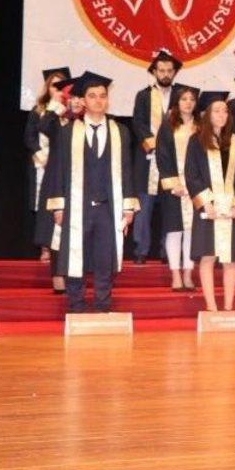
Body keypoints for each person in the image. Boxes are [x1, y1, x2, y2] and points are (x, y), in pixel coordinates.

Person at [42, 73, 139, 313]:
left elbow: (127, 170)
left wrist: (128, 207)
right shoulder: (67, 132)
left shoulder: (120, 132)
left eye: (103, 96)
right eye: (92, 96)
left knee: (105, 258)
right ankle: (76, 306)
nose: (98, 100)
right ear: (83, 100)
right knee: (75, 256)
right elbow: (58, 170)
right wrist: (58, 206)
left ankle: (102, 305)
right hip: (77, 206)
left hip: (108, 206)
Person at [185, 92, 235, 312]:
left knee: (230, 260)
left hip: (231, 208)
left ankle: (229, 308)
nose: (222, 115)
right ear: (207, 114)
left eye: (225, 111)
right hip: (208, 209)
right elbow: (192, 174)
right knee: (208, 257)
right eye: (217, 110)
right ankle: (212, 308)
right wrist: (206, 202)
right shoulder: (196, 141)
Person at [130, 50, 180, 265]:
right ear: (154, 72)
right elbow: (138, 123)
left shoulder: (181, 96)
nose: (165, 74)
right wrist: (154, 145)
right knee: (144, 207)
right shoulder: (143, 95)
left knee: (171, 208)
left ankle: (167, 251)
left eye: (169, 70)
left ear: (174, 72)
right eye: (161, 70)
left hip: (173, 161)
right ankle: (141, 250)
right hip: (148, 160)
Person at [34, 76, 82, 294]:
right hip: (57, 180)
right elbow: (43, 125)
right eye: (71, 97)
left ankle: (75, 275)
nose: (76, 101)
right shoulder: (57, 121)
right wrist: (57, 104)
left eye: (79, 97)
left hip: (81, 182)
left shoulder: (88, 122)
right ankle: (57, 276)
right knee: (56, 230)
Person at [154, 84, 200, 291]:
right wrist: (174, 185)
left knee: (192, 231)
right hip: (174, 187)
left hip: (196, 187)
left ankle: (188, 273)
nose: (188, 103)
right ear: (177, 102)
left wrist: (198, 184)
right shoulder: (167, 126)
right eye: (184, 99)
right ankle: (175, 275)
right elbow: (162, 157)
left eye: (192, 99)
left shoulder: (201, 126)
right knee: (174, 230)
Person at [25, 67, 69, 263]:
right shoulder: (38, 111)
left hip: (64, 166)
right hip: (42, 164)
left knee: (64, 204)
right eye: (53, 85)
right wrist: (41, 157)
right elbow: (29, 137)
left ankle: (62, 246)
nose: (57, 89)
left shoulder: (70, 111)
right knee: (45, 206)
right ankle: (45, 247)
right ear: (47, 88)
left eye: (61, 86)